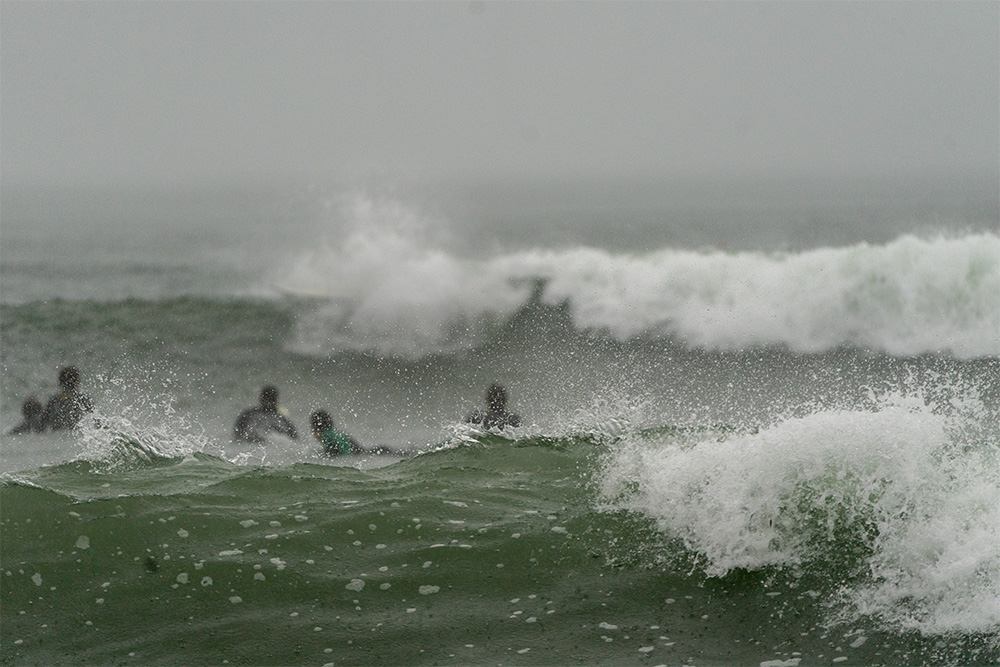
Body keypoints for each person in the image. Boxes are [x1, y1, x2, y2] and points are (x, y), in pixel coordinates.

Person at [233, 385, 298, 443]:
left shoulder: (248, 415)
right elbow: (294, 438)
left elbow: (237, 434)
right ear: (276, 401)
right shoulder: (281, 418)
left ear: (260, 398)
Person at [39, 366, 94, 431]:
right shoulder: (84, 400)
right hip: (78, 434)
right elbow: (95, 422)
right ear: (77, 382)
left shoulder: (53, 401)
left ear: (60, 382)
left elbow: (42, 425)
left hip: (57, 435)